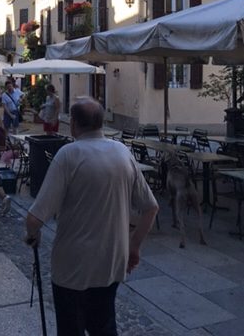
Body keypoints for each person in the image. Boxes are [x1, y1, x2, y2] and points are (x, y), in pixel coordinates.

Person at [25, 97, 158, 336]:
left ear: (74, 123)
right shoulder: (122, 152)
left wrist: (33, 235)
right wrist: (134, 247)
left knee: (71, 328)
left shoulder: (69, 155)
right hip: (111, 261)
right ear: (101, 122)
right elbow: (150, 207)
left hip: (73, 266)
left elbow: (35, 218)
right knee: (104, 325)